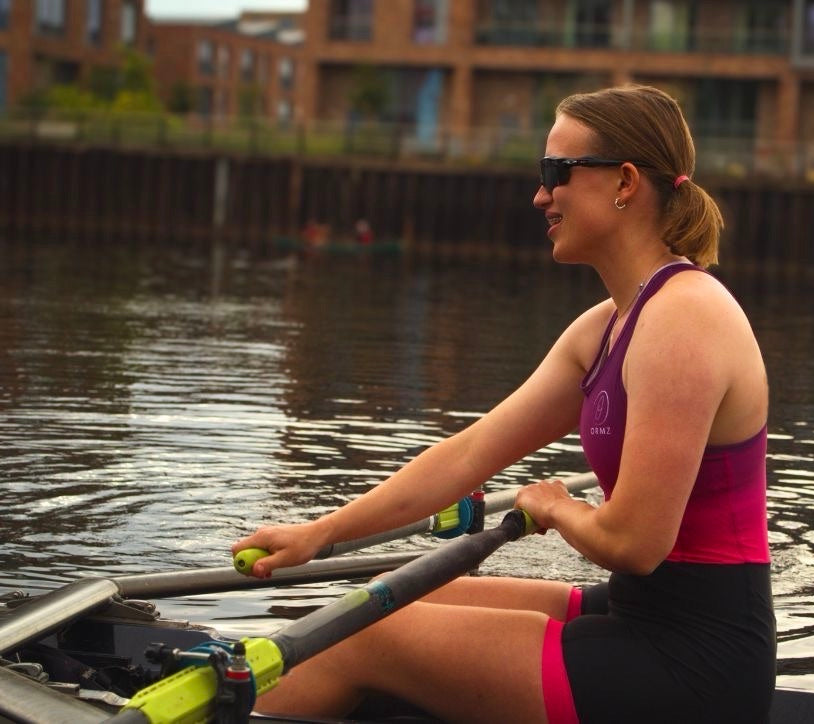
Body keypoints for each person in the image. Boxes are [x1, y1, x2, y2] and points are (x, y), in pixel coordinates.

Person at [232, 85, 774, 723]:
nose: (540, 195)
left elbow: (634, 543)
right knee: (379, 602)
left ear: (625, 181)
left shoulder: (685, 318)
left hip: (699, 663)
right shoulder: (606, 326)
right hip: (639, 613)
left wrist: (557, 506)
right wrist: (320, 534)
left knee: (359, 636)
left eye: (555, 171)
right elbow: (470, 453)